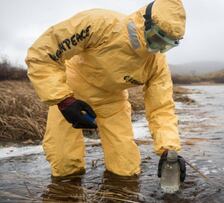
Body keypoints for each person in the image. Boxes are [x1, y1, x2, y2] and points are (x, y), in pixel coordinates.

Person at [25, 0, 186, 182]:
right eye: (157, 39)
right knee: (64, 164)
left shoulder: (156, 63)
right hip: (71, 95)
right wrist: (63, 100)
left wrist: (168, 149)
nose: (157, 49)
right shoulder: (99, 23)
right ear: (146, 23)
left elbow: (161, 108)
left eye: (166, 45)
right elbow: (42, 54)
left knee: (126, 169)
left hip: (113, 103)